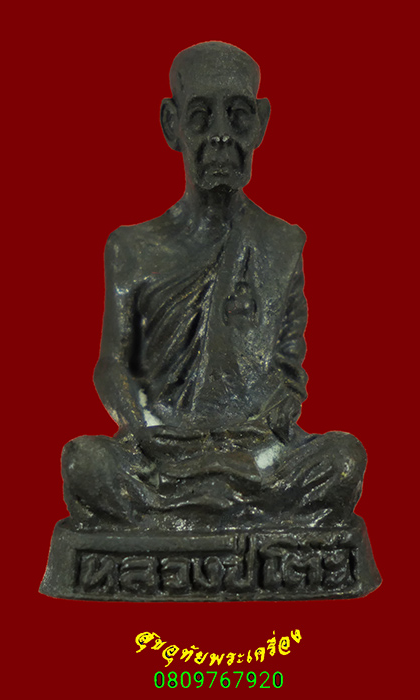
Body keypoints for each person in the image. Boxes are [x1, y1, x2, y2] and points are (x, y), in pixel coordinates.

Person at [62, 42, 366, 529]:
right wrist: (143, 428)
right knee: (85, 462)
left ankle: (179, 519)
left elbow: (289, 367)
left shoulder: (281, 244)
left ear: (260, 123)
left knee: (344, 459)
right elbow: (111, 365)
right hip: (165, 450)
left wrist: (278, 410)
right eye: (202, 117)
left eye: (238, 116)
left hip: (256, 454)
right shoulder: (132, 248)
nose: (222, 134)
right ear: (172, 124)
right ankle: (222, 515)